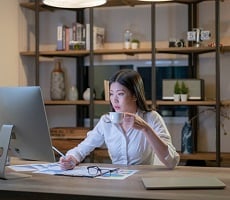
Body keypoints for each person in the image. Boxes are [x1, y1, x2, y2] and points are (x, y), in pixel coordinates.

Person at [60, 69, 180, 170]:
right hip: (117, 182)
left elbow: (172, 161)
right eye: (111, 94)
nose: (114, 100)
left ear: (134, 95)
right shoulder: (106, 121)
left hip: (143, 182)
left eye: (120, 94)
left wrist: (146, 129)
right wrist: (71, 158)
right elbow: (83, 148)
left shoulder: (151, 118)